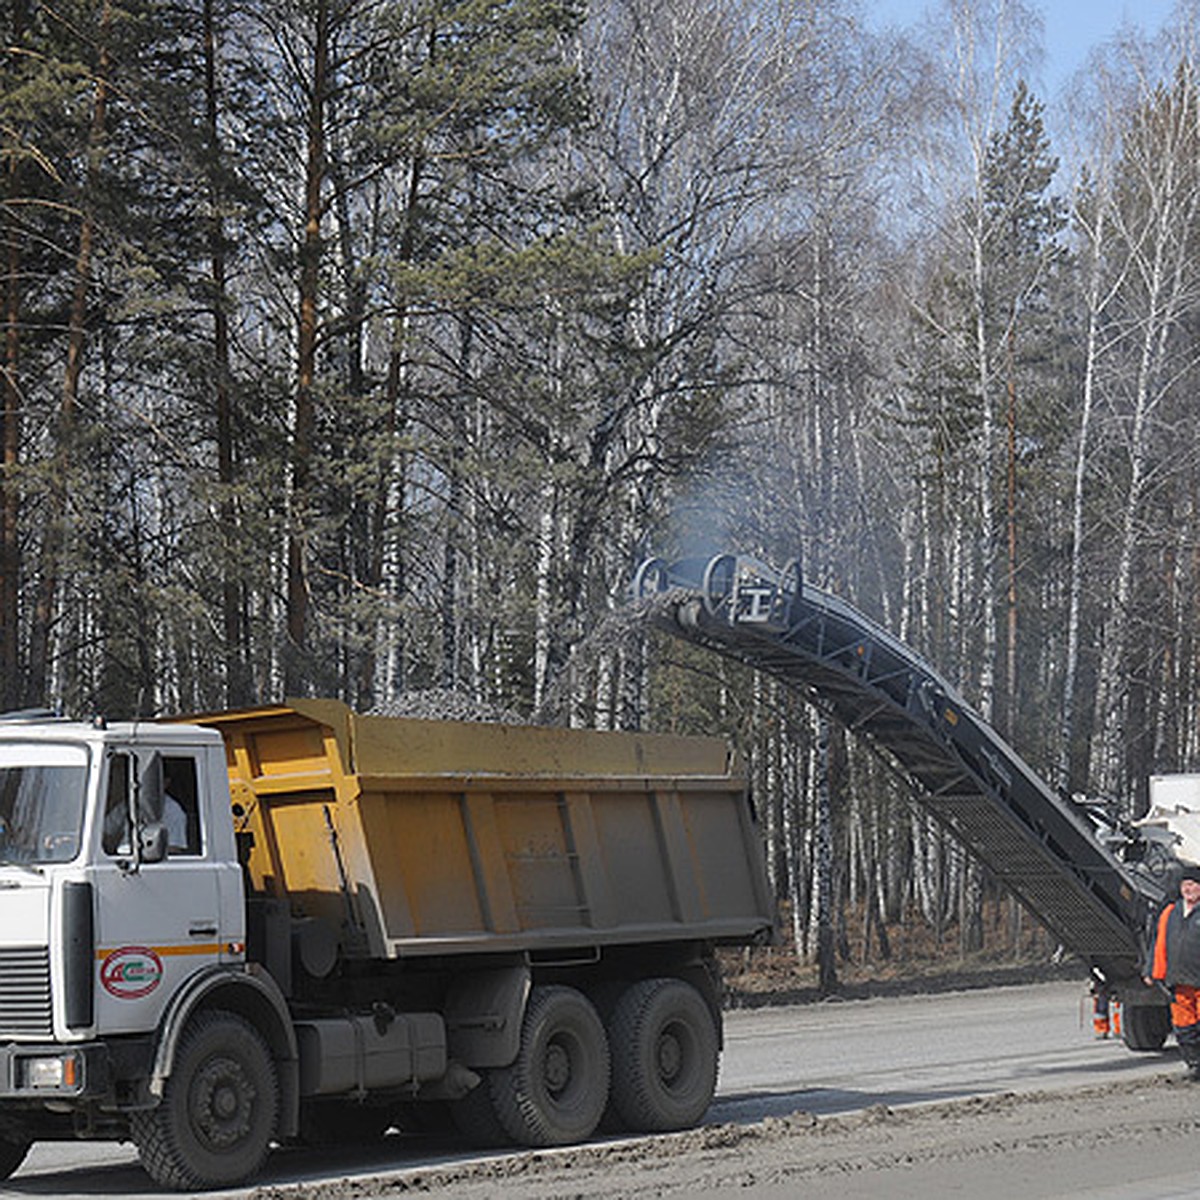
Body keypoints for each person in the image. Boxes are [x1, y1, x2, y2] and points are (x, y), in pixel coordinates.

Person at [1143, 863, 1200, 1079]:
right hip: (1179, 980)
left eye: (1193, 884)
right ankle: (1194, 1065)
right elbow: (1158, 944)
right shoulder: (1170, 912)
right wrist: (1151, 970)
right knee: (1184, 1026)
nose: (1188, 889)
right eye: (1185, 884)